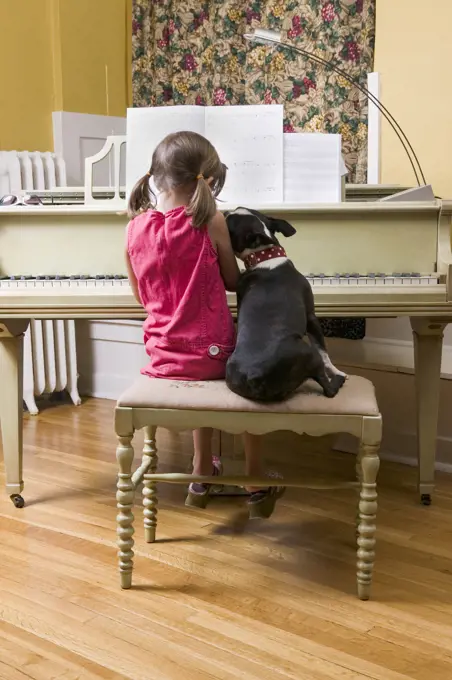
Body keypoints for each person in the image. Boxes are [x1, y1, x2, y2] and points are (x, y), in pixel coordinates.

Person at [126, 131, 284, 519]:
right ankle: (254, 475)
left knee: (198, 371)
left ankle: (200, 471)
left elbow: (140, 298)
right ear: (208, 182)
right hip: (212, 354)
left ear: (155, 177)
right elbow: (232, 281)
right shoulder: (210, 219)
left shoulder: (133, 228)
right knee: (244, 370)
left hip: (162, 357)